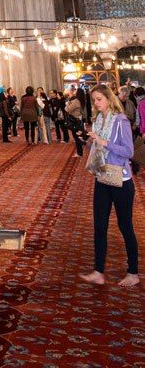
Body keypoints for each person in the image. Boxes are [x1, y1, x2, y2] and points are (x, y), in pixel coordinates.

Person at [80, 85, 139, 289]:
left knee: (125, 226)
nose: (96, 103)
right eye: (94, 100)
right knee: (99, 225)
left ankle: (133, 272)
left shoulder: (120, 121)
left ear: (108, 98)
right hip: (103, 177)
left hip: (121, 180)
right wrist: (89, 141)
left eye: (99, 99)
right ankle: (98, 271)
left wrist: (104, 142)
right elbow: (97, 147)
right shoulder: (98, 120)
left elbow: (128, 152)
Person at [65, 90, 86, 158]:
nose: (74, 92)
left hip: (74, 120)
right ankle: (83, 144)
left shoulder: (77, 101)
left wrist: (68, 103)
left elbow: (68, 109)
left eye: (76, 91)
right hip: (78, 119)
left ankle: (79, 153)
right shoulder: (81, 100)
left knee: (77, 138)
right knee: (79, 136)